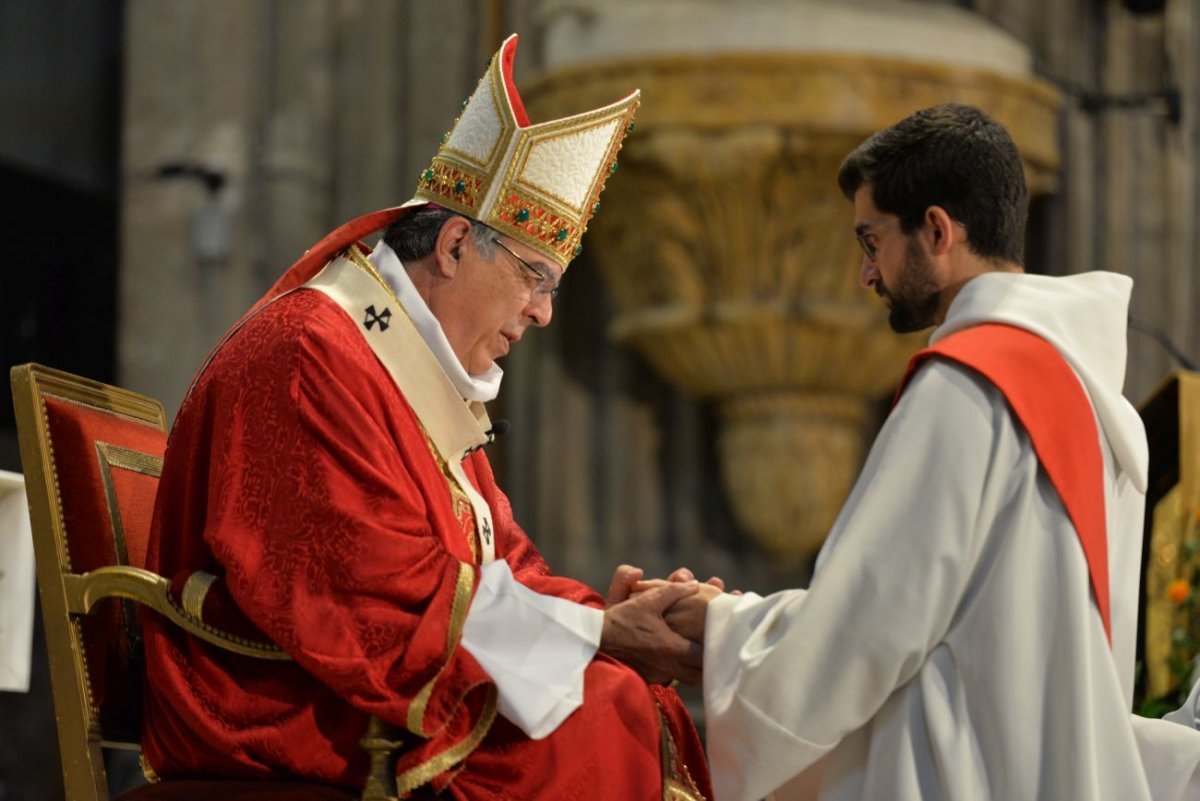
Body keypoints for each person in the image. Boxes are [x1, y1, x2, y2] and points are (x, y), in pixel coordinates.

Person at [141, 34, 713, 800]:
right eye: (535, 278)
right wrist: (598, 635)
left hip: (356, 679)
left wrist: (608, 616)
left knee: (634, 692)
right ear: (452, 244)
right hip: (278, 705)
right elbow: (364, 590)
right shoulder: (309, 354)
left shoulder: (415, 367)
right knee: (602, 707)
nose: (541, 313)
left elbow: (500, 565)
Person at [663, 103, 1200, 800]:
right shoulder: (1099, 404)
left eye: (872, 240)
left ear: (938, 230)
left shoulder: (970, 382)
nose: (866, 272)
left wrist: (721, 626)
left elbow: (864, 624)